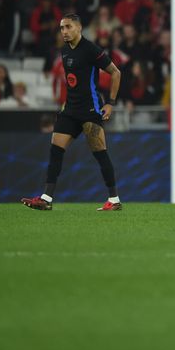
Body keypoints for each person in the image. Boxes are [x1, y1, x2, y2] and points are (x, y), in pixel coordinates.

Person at [21, 14, 123, 211]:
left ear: (79, 27)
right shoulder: (65, 50)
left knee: (100, 154)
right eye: (61, 28)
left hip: (90, 111)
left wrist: (110, 103)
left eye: (68, 27)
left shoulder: (91, 50)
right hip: (70, 110)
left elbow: (116, 73)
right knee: (55, 151)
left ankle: (115, 200)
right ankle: (46, 199)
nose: (64, 32)